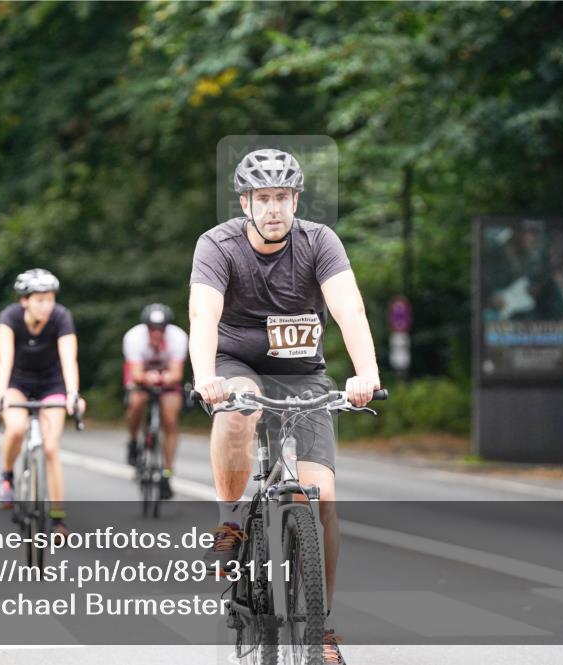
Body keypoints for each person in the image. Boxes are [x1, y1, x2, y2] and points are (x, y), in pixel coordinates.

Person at [189, 148, 380, 664]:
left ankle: (321, 626)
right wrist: (206, 376)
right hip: (236, 363)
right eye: (262, 198)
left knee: (322, 497)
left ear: (296, 200)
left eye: (282, 198)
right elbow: (203, 315)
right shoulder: (218, 245)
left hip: (302, 375)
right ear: (246, 203)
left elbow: (349, 307)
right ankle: (230, 521)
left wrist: (367, 373)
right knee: (237, 413)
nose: (273, 209)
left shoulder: (319, 242)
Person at [0, 268, 85, 537]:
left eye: (50, 299)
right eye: (40, 300)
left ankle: (57, 519)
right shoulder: (9, 317)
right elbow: (4, 360)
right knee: (17, 428)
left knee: (52, 447)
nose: (47, 305)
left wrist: (73, 394)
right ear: (25, 301)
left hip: (51, 383)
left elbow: (69, 360)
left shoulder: (61, 317)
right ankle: (7, 477)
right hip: (17, 383)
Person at [122, 303, 188, 499]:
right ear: (146, 327)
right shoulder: (134, 337)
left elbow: (176, 374)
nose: (157, 333)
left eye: (161, 329)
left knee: (170, 418)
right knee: (136, 403)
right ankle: (133, 441)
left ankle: (166, 473)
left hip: (167, 381)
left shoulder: (178, 337)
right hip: (141, 378)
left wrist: (163, 378)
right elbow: (135, 373)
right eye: (152, 329)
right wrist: (146, 378)